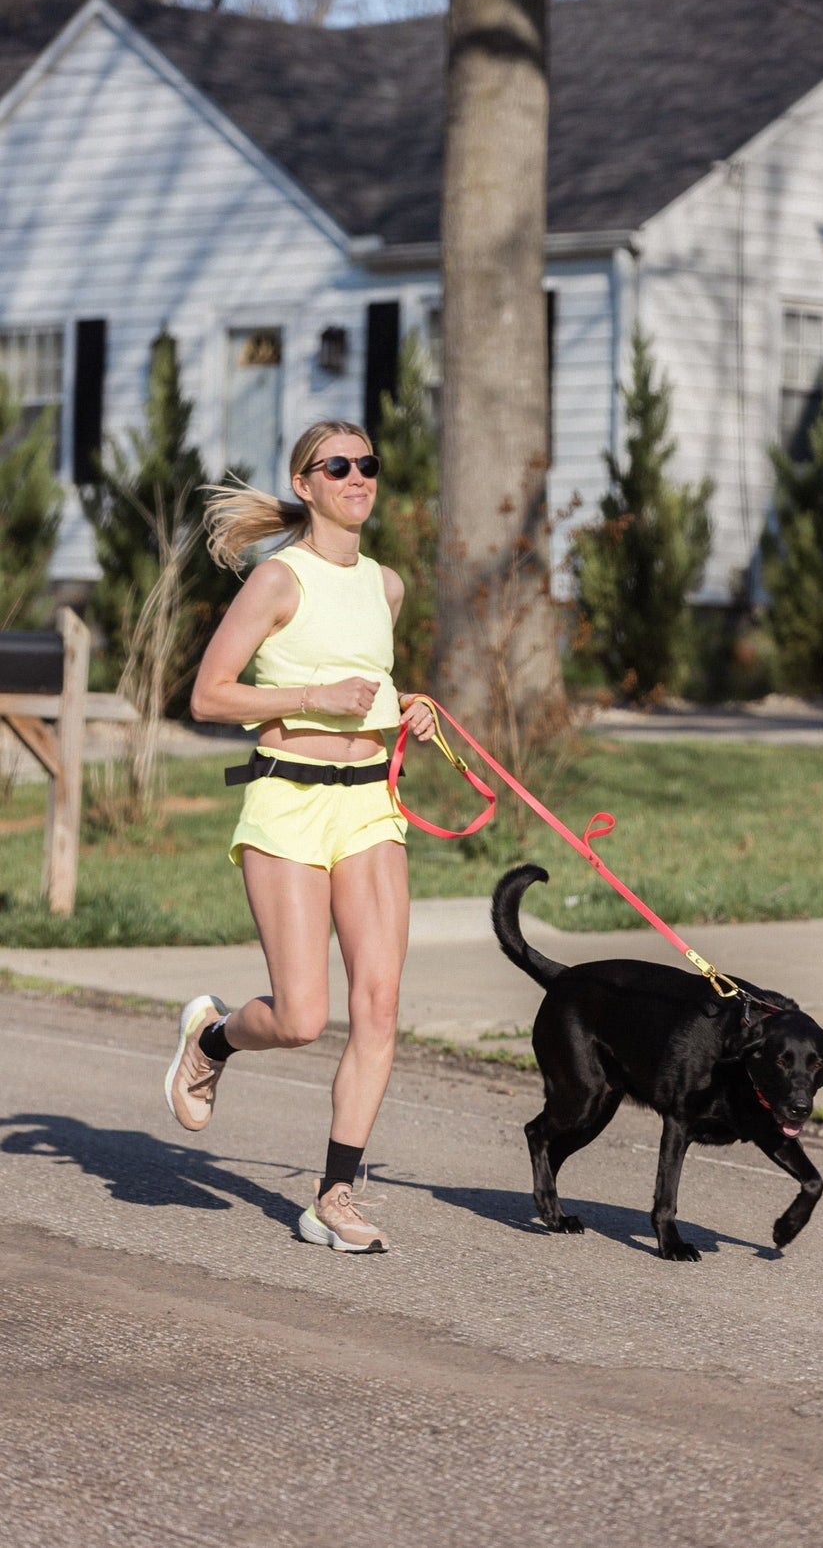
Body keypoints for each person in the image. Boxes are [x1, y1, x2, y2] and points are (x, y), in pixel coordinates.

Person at [164, 419, 436, 1254]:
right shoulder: (279, 580)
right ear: (308, 483)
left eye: (369, 465)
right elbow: (210, 696)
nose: (359, 477)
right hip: (286, 803)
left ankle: (335, 1195)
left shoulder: (386, 586)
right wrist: (317, 697)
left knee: (380, 1003)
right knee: (302, 1018)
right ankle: (213, 1035)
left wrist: (409, 709)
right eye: (339, 466)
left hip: (368, 805)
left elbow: (374, 684)